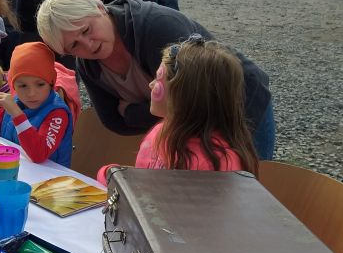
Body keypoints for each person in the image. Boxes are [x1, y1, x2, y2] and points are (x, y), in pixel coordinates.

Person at [36, 0, 275, 159]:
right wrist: (166, 108)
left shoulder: (157, 25)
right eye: (74, 46)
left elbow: (192, 100)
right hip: (192, 131)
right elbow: (113, 122)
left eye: (86, 30)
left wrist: (131, 112)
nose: (87, 45)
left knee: (251, 189)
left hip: (241, 104)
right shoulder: (89, 67)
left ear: (99, 7)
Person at [97, 35, 259, 184]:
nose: (151, 85)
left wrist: (116, 178)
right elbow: (144, 184)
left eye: (158, 79)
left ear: (184, 95)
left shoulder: (217, 163)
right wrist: (113, 175)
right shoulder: (161, 131)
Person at [0, 42, 74, 167]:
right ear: (14, 86)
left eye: (40, 84)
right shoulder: (17, 100)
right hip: (15, 166)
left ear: (51, 83)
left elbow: (39, 154)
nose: (31, 93)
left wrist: (17, 114)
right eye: (23, 86)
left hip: (49, 175)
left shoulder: (57, 113)